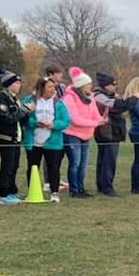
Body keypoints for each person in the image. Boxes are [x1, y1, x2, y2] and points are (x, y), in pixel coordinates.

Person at [22, 75, 70, 201]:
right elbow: (23, 117)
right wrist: (34, 123)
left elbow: (65, 120)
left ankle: (54, 193)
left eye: (53, 87)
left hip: (53, 142)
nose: (52, 89)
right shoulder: (30, 100)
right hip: (34, 141)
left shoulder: (58, 103)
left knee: (54, 168)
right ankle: (32, 191)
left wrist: (54, 125)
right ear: (41, 88)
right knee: (33, 167)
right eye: (49, 86)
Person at [61, 67, 106, 197]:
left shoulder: (90, 97)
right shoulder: (69, 97)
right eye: (88, 84)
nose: (91, 86)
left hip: (86, 135)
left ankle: (81, 188)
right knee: (75, 162)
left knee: (83, 164)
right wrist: (95, 123)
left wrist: (101, 120)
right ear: (81, 85)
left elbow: (94, 114)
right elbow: (74, 119)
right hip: (72, 134)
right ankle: (74, 190)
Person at [0, 69, 29, 204]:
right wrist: (24, 111)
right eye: (16, 83)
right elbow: (7, 118)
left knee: (14, 165)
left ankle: (11, 191)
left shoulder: (15, 99)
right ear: (9, 84)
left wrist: (25, 114)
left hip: (16, 136)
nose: (19, 85)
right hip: (5, 136)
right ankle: (3, 193)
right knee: (7, 165)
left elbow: (19, 118)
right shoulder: (2, 99)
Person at [93, 72, 128, 195]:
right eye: (113, 84)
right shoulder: (99, 96)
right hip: (106, 132)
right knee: (108, 160)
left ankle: (103, 185)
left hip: (113, 131)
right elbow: (114, 106)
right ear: (105, 86)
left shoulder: (112, 95)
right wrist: (128, 102)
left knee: (106, 159)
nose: (115, 86)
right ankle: (106, 186)